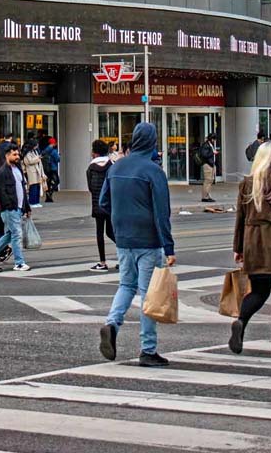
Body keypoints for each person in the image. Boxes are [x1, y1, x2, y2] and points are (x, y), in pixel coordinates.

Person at [97, 122, 175, 367]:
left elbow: (103, 201)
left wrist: (119, 220)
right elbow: (162, 212)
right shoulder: (153, 171)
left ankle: (112, 323)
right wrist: (169, 246)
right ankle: (148, 349)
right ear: (152, 142)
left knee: (126, 285)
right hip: (148, 240)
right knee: (147, 295)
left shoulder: (116, 166)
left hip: (123, 238)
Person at [228, 141, 271, 356]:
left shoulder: (247, 184)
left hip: (253, 240)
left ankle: (241, 320)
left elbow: (240, 217)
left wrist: (238, 246)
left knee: (259, 291)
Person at [0, 144, 31, 271]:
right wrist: (9, 206)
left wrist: (27, 207)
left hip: (18, 208)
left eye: (17, 154)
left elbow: (22, 190)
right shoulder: (2, 172)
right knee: (16, 234)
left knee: (10, 234)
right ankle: (19, 262)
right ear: (7, 155)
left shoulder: (18, 169)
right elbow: (1, 192)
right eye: (14, 154)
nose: (17, 156)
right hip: (10, 209)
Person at [87, 140, 116, 271]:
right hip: (110, 204)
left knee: (100, 233)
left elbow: (90, 187)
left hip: (97, 204)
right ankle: (125, 255)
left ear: (95, 153)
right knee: (111, 232)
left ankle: (102, 262)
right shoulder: (112, 165)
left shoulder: (91, 168)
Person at [22, 138, 46, 208]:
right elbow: (29, 161)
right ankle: (32, 202)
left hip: (37, 171)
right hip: (31, 172)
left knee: (38, 187)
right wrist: (38, 158)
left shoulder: (35, 151)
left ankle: (37, 201)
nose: (37, 146)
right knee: (33, 187)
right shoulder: (27, 153)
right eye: (36, 144)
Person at [198, 134, 218, 202]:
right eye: (214, 139)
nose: (214, 141)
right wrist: (213, 153)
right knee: (208, 180)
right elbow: (204, 155)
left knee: (210, 180)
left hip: (211, 164)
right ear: (211, 139)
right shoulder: (206, 145)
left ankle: (207, 195)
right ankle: (205, 197)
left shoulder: (209, 144)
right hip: (207, 165)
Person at [43, 137, 60, 201]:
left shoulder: (45, 150)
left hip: (47, 168)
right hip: (53, 168)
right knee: (57, 181)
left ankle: (48, 197)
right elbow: (58, 159)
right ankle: (50, 193)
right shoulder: (53, 150)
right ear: (53, 143)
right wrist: (58, 156)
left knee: (48, 182)